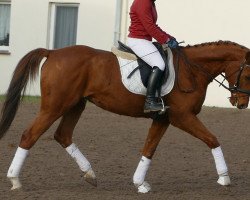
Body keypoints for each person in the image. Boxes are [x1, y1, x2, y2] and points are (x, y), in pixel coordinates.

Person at [127, 0, 179, 113]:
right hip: (138, 40)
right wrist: (165, 40)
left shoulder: (150, 3)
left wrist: (170, 37)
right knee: (159, 64)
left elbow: (154, 26)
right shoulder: (143, 2)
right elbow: (149, 27)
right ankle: (149, 101)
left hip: (145, 40)